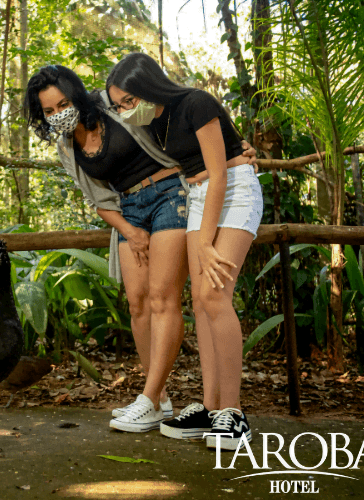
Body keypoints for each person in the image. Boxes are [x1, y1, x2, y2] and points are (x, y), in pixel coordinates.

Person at [24, 65, 256, 433]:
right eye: (49, 111)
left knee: (164, 297)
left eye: (63, 104)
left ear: (77, 96)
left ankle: (148, 398)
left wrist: (231, 149)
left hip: (172, 195)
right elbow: (97, 198)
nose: (58, 114)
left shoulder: (115, 105)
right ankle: (159, 400)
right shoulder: (65, 144)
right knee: (137, 301)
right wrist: (130, 231)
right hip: (129, 209)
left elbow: (178, 123)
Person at [106, 53, 263, 451]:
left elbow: (222, 171)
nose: (125, 111)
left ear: (147, 87)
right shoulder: (154, 123)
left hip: (234, 192)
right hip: (197, 195)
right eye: (119, 105)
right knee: (198, 300)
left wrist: (207, 242)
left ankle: (234, 412)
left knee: (214, 294)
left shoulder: (196, 103)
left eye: (129, 101)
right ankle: (210, 409)